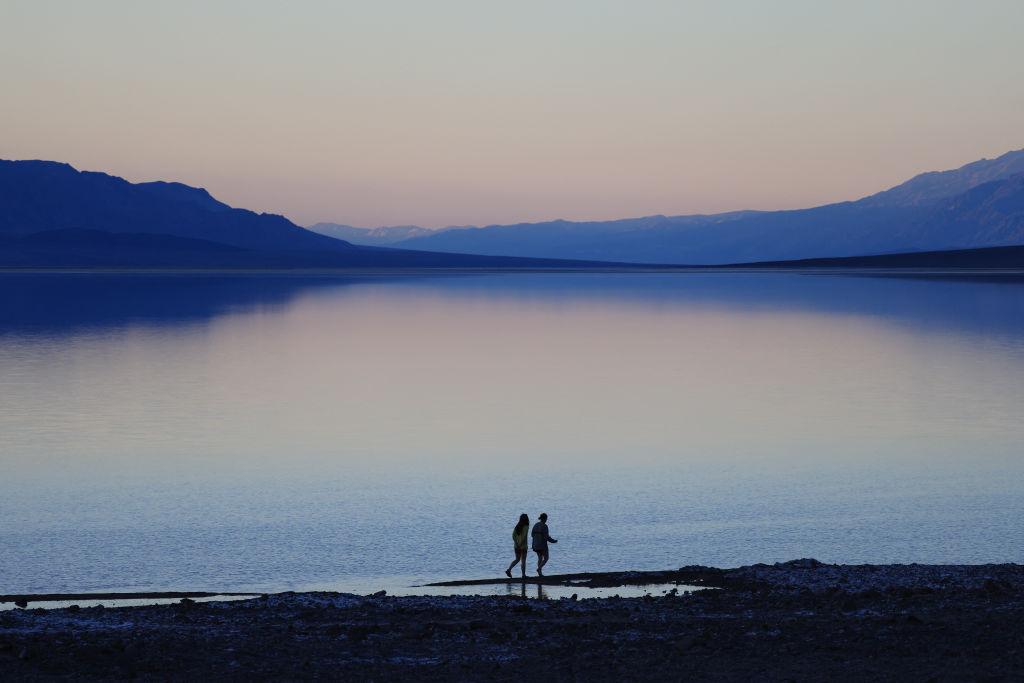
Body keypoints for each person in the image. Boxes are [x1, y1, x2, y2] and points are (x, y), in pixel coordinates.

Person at [505, 513, 530, 578]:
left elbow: (513, 536)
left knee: (517, 559)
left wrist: (516, 543)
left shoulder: (517, 526)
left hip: (516, 546)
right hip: (523, 546)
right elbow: (524, 537)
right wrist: (520, 544)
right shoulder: (526, 526)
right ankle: (523, 575)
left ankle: (509, 569)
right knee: (523, 561)